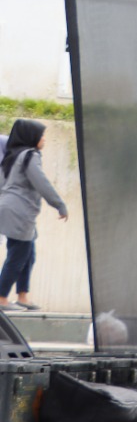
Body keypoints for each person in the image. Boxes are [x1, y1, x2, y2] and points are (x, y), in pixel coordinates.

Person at [0, 120, 69, 311]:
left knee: (28, 254)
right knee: (18, 255)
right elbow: (41, 182)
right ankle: (1, 299)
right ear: (31, 137)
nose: (44, 139)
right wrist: (59, 204)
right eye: (41, 135)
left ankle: (23, 297)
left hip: (11, 209)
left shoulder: (11, 156)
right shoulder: (30, 155)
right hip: (19, 211)